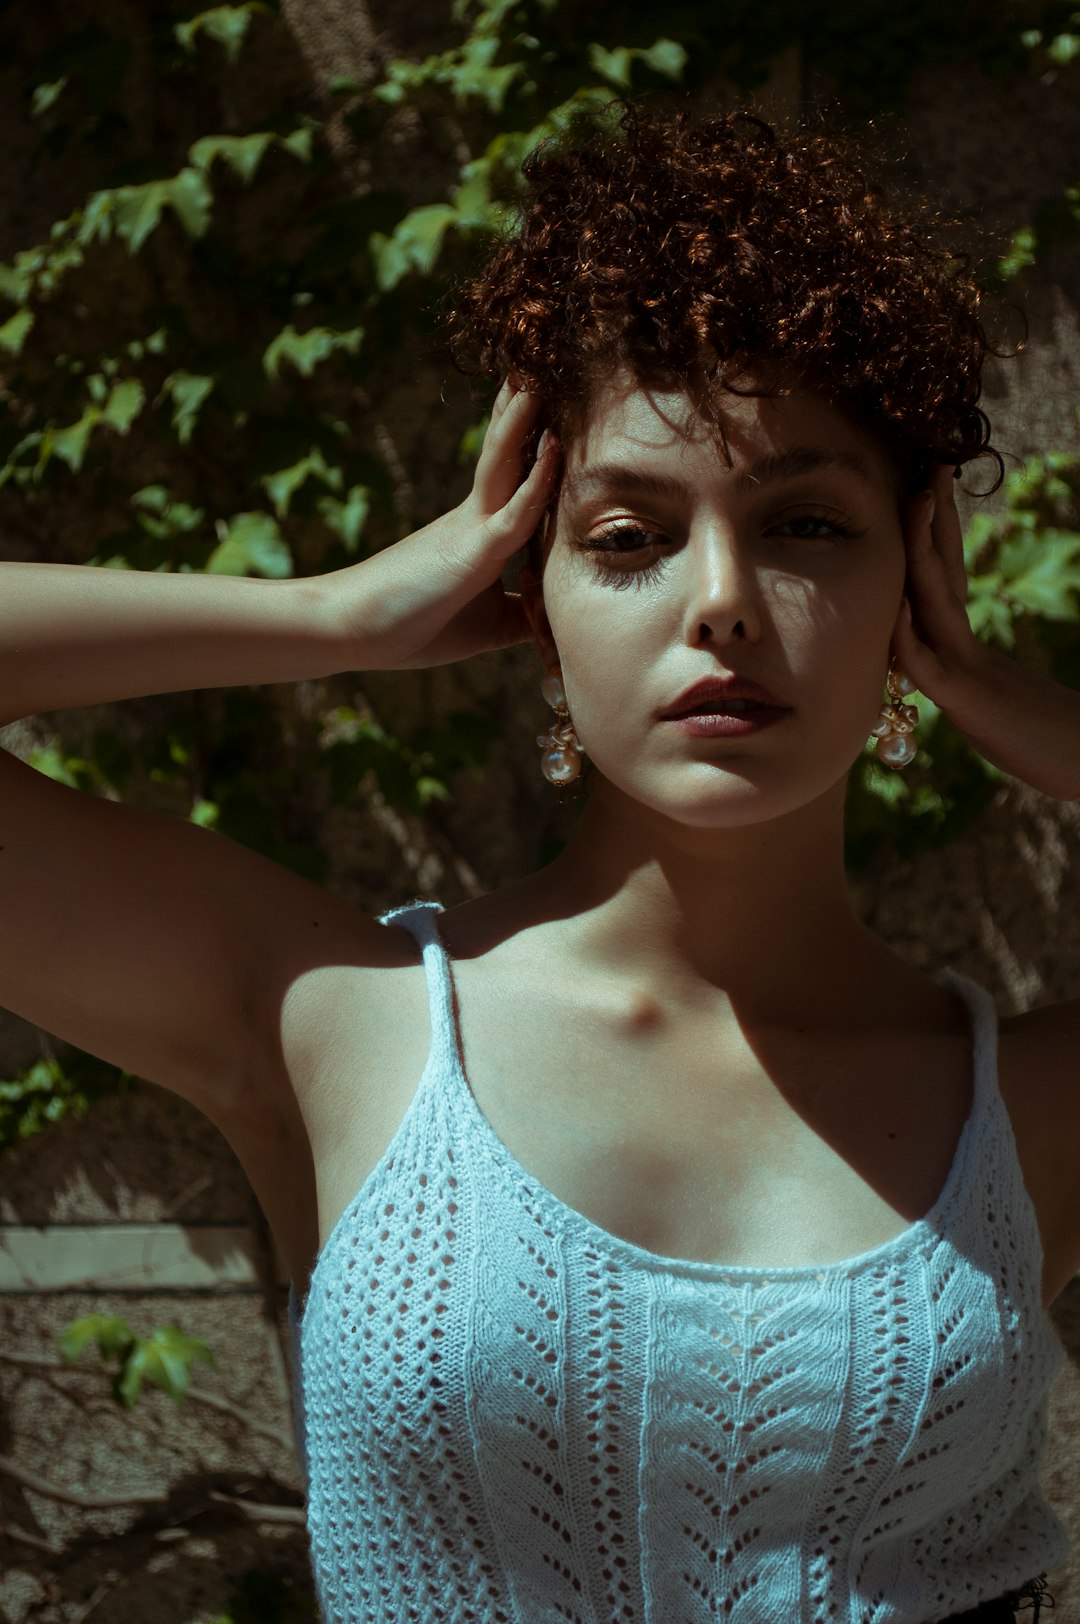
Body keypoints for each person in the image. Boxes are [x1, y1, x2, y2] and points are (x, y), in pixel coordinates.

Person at [0, 100, 1077, 1624]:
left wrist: (1029, 713)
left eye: (808, 527)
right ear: (529, 586)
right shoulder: (340, 1018)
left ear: (922, 574)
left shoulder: (1028, 1107)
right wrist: (334, 615)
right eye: (630, 536)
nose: (722, 601)